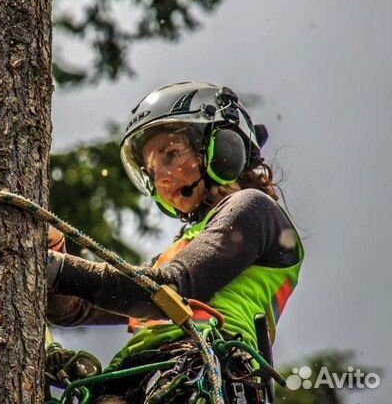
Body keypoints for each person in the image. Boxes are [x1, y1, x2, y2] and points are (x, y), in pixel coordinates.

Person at [45, 81, 305, 403]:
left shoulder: (254, 210)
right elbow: (76, 309)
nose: (162, 178)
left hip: (198, 371)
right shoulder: (179, 251)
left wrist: (55, 268)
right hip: (143, 375)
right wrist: (53, 259)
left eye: (170, 155)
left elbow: (169, 289)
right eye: (151, 171)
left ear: (222, 146)